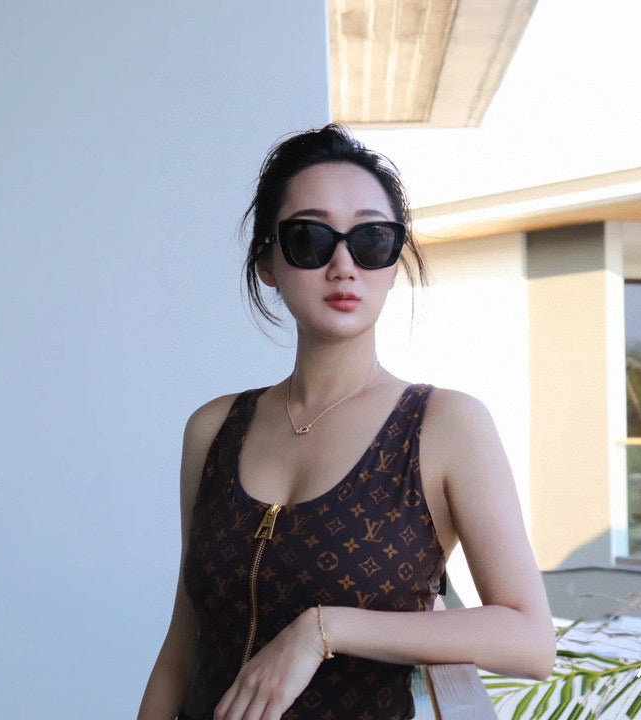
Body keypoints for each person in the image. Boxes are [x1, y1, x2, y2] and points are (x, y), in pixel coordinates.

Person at [138, 124, 554, 720]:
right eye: (310, 239)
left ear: (394, 261)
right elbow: (183, 644)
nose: (343, 265)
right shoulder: (214, 429)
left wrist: (324, 629)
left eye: (371, 240)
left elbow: (530, 640)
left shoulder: (444, 425)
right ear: (267, 262)